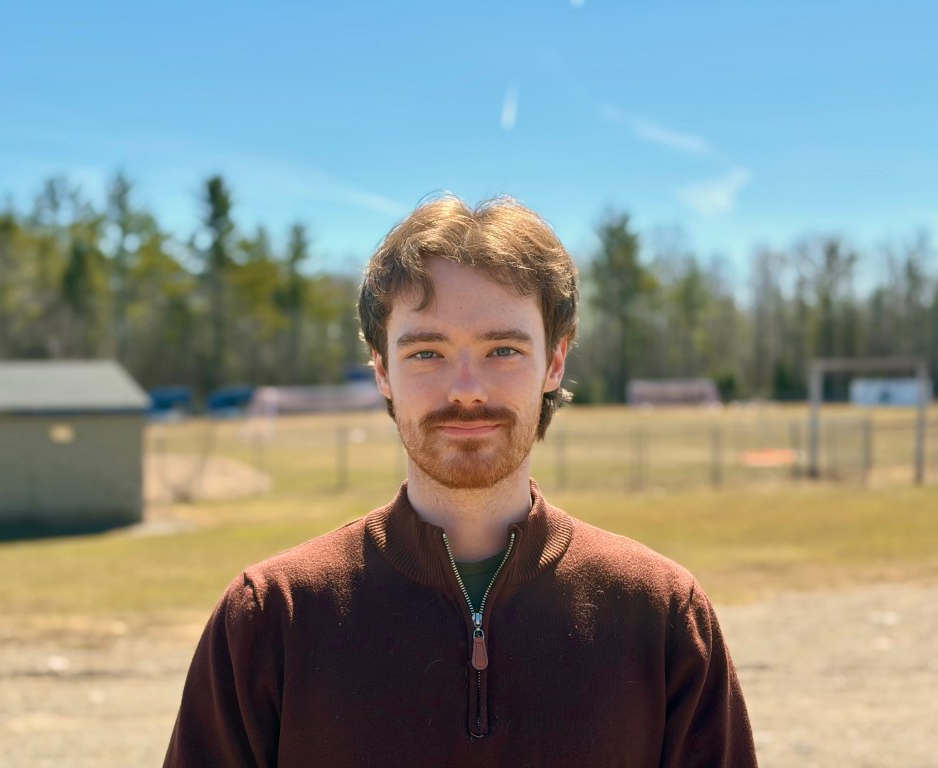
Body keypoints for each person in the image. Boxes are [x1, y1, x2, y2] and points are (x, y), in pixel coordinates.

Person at [163, 195, 758, 767]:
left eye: (502, 349)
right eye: (427, 353)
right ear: (382, 371)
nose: (467, 388)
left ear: (555, 362)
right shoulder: (271, 618)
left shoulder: (662, 617)